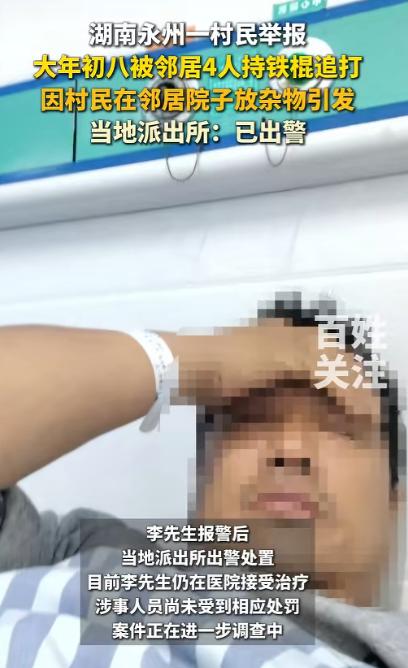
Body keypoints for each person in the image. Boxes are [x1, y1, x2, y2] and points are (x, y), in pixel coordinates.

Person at [0, 293, 407, 668]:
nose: (290, 451)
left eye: (338, 428)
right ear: (202, 478)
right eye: (250, 421)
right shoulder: (80, 552)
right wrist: (198, 360)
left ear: (394, 504)